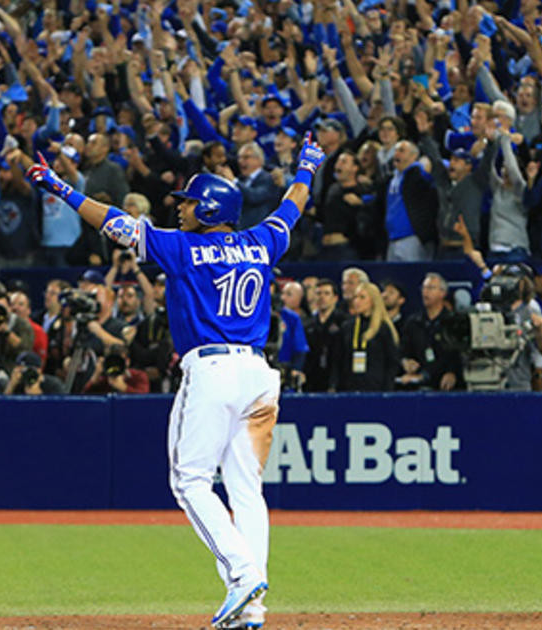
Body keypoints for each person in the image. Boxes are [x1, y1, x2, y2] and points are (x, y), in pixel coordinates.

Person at [27, 132, 327, 629]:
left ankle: (242, 574)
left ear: (209, 209)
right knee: (245, 488)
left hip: (213, 369)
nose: (181, 209)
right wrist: (308, 166)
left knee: (188, 480)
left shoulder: (183, 248)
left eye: (188, 202)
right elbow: (293, 203)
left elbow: (115, 223)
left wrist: (62, 188)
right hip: (258, 373)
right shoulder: (263, 239)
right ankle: (251, 609)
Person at [397, 273, 463, 391]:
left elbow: (458, 355)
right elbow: (403, 351)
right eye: (424, 288)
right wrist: (406, 362)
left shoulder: (453, 322)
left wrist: (453, 372)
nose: (425, 292)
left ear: (442, 293)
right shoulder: (413, 322)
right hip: (417, 383)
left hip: (445, 385)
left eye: (431, 288)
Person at [334, 281, 400, 392]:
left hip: (376, 390)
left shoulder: (383, 328)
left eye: (362, 297)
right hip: (349, 388)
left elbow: (392, 363)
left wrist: (387, 390)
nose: (356, 301)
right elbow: (338, 360)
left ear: (373, 301)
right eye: (355, 297)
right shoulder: (347, 327)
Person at [304, 280, 347, 393]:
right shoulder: (308, 324)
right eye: (318, 293)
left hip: (338, 381)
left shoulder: (344, 323)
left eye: (326, 293)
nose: (322, 297)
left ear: (335, 298)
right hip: (312, 382)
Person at [83, 344, 151, 394]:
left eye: (119, 361)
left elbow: (144, 399)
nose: (115, 365)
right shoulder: (104, 379)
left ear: (127, 361)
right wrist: (95, 376)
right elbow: (85, 399)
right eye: (112, 361)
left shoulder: (139, 376)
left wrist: (124, 387)